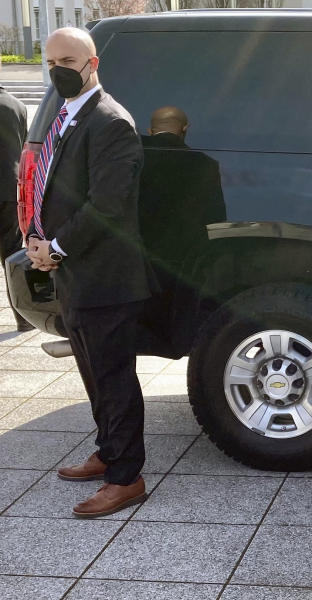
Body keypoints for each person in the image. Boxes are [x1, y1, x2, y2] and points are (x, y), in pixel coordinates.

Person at [29, 28, 154, 518]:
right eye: (51, 59)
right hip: (73, 273)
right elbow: (52, 189)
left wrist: (55, 247)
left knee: (114, 378)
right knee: (92, 374)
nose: (57, 67)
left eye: (67, 59)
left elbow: (108, 206)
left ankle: (127, 477)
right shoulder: (69, 116)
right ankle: (108, 451)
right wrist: (38, 243)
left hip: (106, 277)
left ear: (92, 63)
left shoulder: (110, 122)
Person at [138, 106, 225, 355]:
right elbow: (215, 217)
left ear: (149, 130)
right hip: (185, 256)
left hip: (139, 254)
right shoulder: (205, 165)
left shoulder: (133, 159)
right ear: (185, 129)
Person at [0, 60, 31, 331]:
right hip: (10, 190)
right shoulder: (17, 105)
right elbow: (25, 145)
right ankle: (23, 318)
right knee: (11, 254)